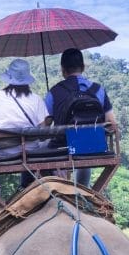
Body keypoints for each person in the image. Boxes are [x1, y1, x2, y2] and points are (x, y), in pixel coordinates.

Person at [44, 48, 116, 186]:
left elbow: (45, 124)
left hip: (62, 147)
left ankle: (60, 186)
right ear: (83, 67)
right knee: (84, 147)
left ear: (63, 69)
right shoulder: (98, 89)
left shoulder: (54, 92)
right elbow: (112, 123)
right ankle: (83, 188)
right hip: (94, 146)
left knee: (47, 150)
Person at [0, 58, 49, 192]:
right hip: (30, 150)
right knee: (29, 150)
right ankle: (26, 188)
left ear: (9, 78)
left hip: (2, 151)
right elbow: (44, 128)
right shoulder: (36, 99)